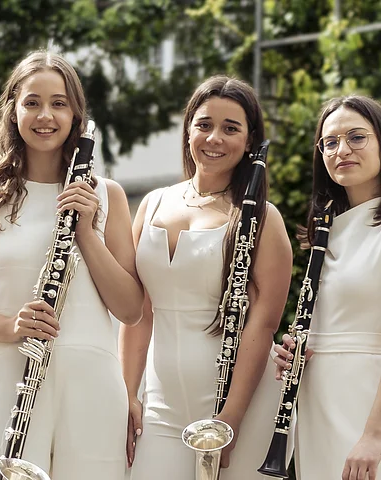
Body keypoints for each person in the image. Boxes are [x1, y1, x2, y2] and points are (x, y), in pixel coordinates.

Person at [0, 50, 143, 480]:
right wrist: (7, 326)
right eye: (32, 102)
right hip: (8, 379)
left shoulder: (109, 196)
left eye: (58, 103)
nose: (45, 115)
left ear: (75, 115)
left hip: (93, 385)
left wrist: (86, 231)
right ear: (13, 111)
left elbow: (130, 309)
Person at [119, 75, 294, 479]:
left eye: (231, 128)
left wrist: (231, 417)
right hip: (159, 402)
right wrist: (128, 392)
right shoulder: (152, 203)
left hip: (238, 403)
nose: (214, 138)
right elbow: (139, 312)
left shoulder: (262, 218)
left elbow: (263, 323)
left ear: (250, 141)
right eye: (204, 125)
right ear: (188, 131)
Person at [274, 95, 381, 480]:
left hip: (367, 410)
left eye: (357, 137)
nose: (342, 150)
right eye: (330, 142)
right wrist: (293, 353)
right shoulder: (326, 233)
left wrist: (374, 436)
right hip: (319, 406)